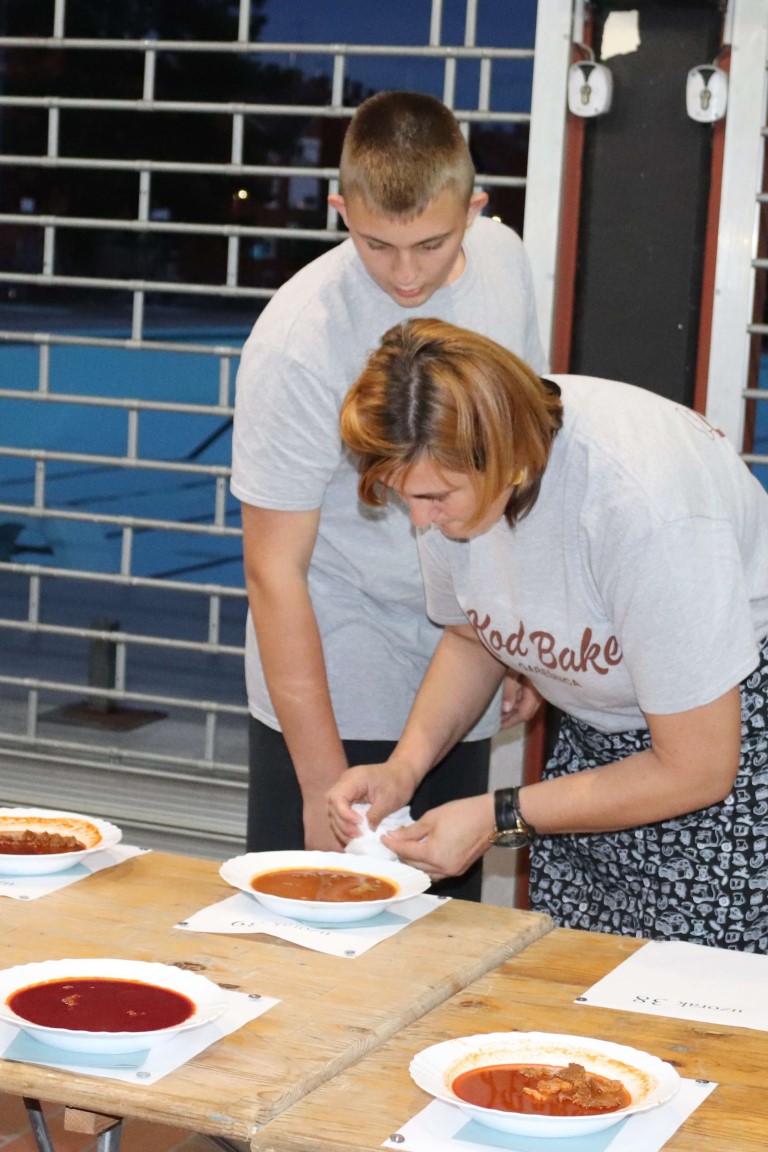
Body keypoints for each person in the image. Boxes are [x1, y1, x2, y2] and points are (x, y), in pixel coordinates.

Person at [328, 317, 768, 951]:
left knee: (693, 994)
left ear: (507, 460)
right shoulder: (447, 474)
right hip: (598, 750)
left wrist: (500, 816)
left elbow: (697, 768)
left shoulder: (641, 504)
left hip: (733, 754)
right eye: (405, 496)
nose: (421, 518)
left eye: (436, 496)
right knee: (571, 973)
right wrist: (403, 768)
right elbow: (470, 638)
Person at [230, 90, 546, 900]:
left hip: (462, 664)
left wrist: (519, 637)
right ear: (340, 210)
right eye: (377, 244)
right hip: (338, 683)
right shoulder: (299, 340)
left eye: (431, 244)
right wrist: (318, 783)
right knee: (310, 934)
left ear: (475, 209)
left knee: (443, 928)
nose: (406, 274)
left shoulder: (506, 265)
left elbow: (514, 457)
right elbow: (273, 570)